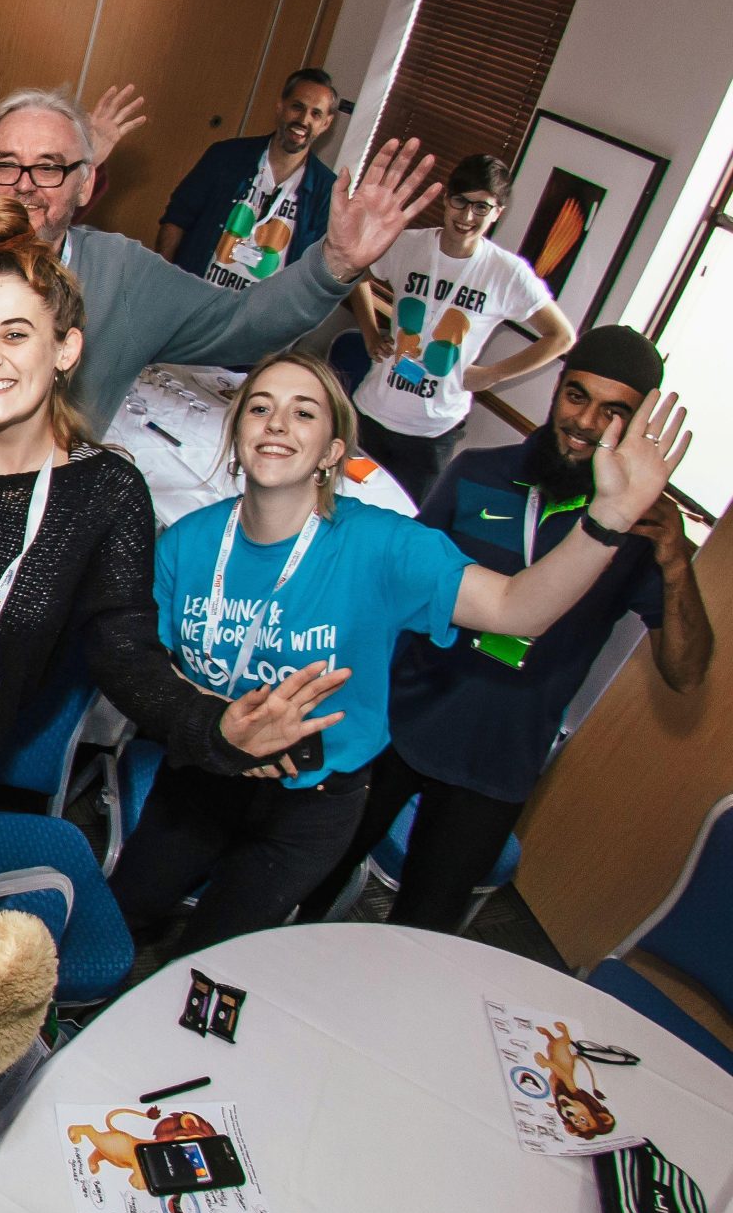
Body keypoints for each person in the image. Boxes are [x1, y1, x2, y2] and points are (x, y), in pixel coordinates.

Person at [0, 201, 342, 923]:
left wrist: (214, 726)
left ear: (66, 349)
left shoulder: (104, 493)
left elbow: (126, 654)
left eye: (16, 334)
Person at [114, 350, 688, 952]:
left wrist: (607, 520)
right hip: (204, 775)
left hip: (311, 802)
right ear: (237, 433)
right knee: (129, 910)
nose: (277, 423)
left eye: (303, 412)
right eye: (260, 408)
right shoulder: (186, 544)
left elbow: (516, 609)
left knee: (220, 955)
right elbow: (147, 663)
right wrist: (216, 722)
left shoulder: (383, 546)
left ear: (333, 451)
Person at [0, 7, 439, 430]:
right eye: (5, 165)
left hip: (46, 531)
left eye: (50, 167)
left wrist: (333, 266)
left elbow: (244, 324)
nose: (26, 186)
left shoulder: (124, 274)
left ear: (84, 184)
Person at [305, 328, 712, 932]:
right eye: (577, 396)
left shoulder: (640, 532)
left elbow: (686, 673)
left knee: (421, 934)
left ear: (636, 426)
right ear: (557, 388)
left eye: (613, 412)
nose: (586, 422)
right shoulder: (478, 472)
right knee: (311, 874)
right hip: (399, 721)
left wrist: (677, 562)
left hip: (496, 762)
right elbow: (397, 591)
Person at [346, 154, 577, 503]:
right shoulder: (407, 244)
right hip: (370, 415)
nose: (467, 217)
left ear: (497, 212)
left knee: (402, 522)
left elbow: (562, 336)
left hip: (431, 434)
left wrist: (493, 374)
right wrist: (370, 332)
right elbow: (355, 272)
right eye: (460, 202)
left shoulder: (506, 272)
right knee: (340, 502)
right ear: (446, 199)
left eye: (481, 207)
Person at [154, 69, 343, 289]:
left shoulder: (327, 191)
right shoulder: (225, 156)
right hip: (196, 295)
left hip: (262, 310)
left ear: (326, 123)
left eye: (316, 114)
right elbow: (177, 219)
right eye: (297, 107)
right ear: (280, 106)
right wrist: (162, 282)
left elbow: (321, 269)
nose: (303, 119)